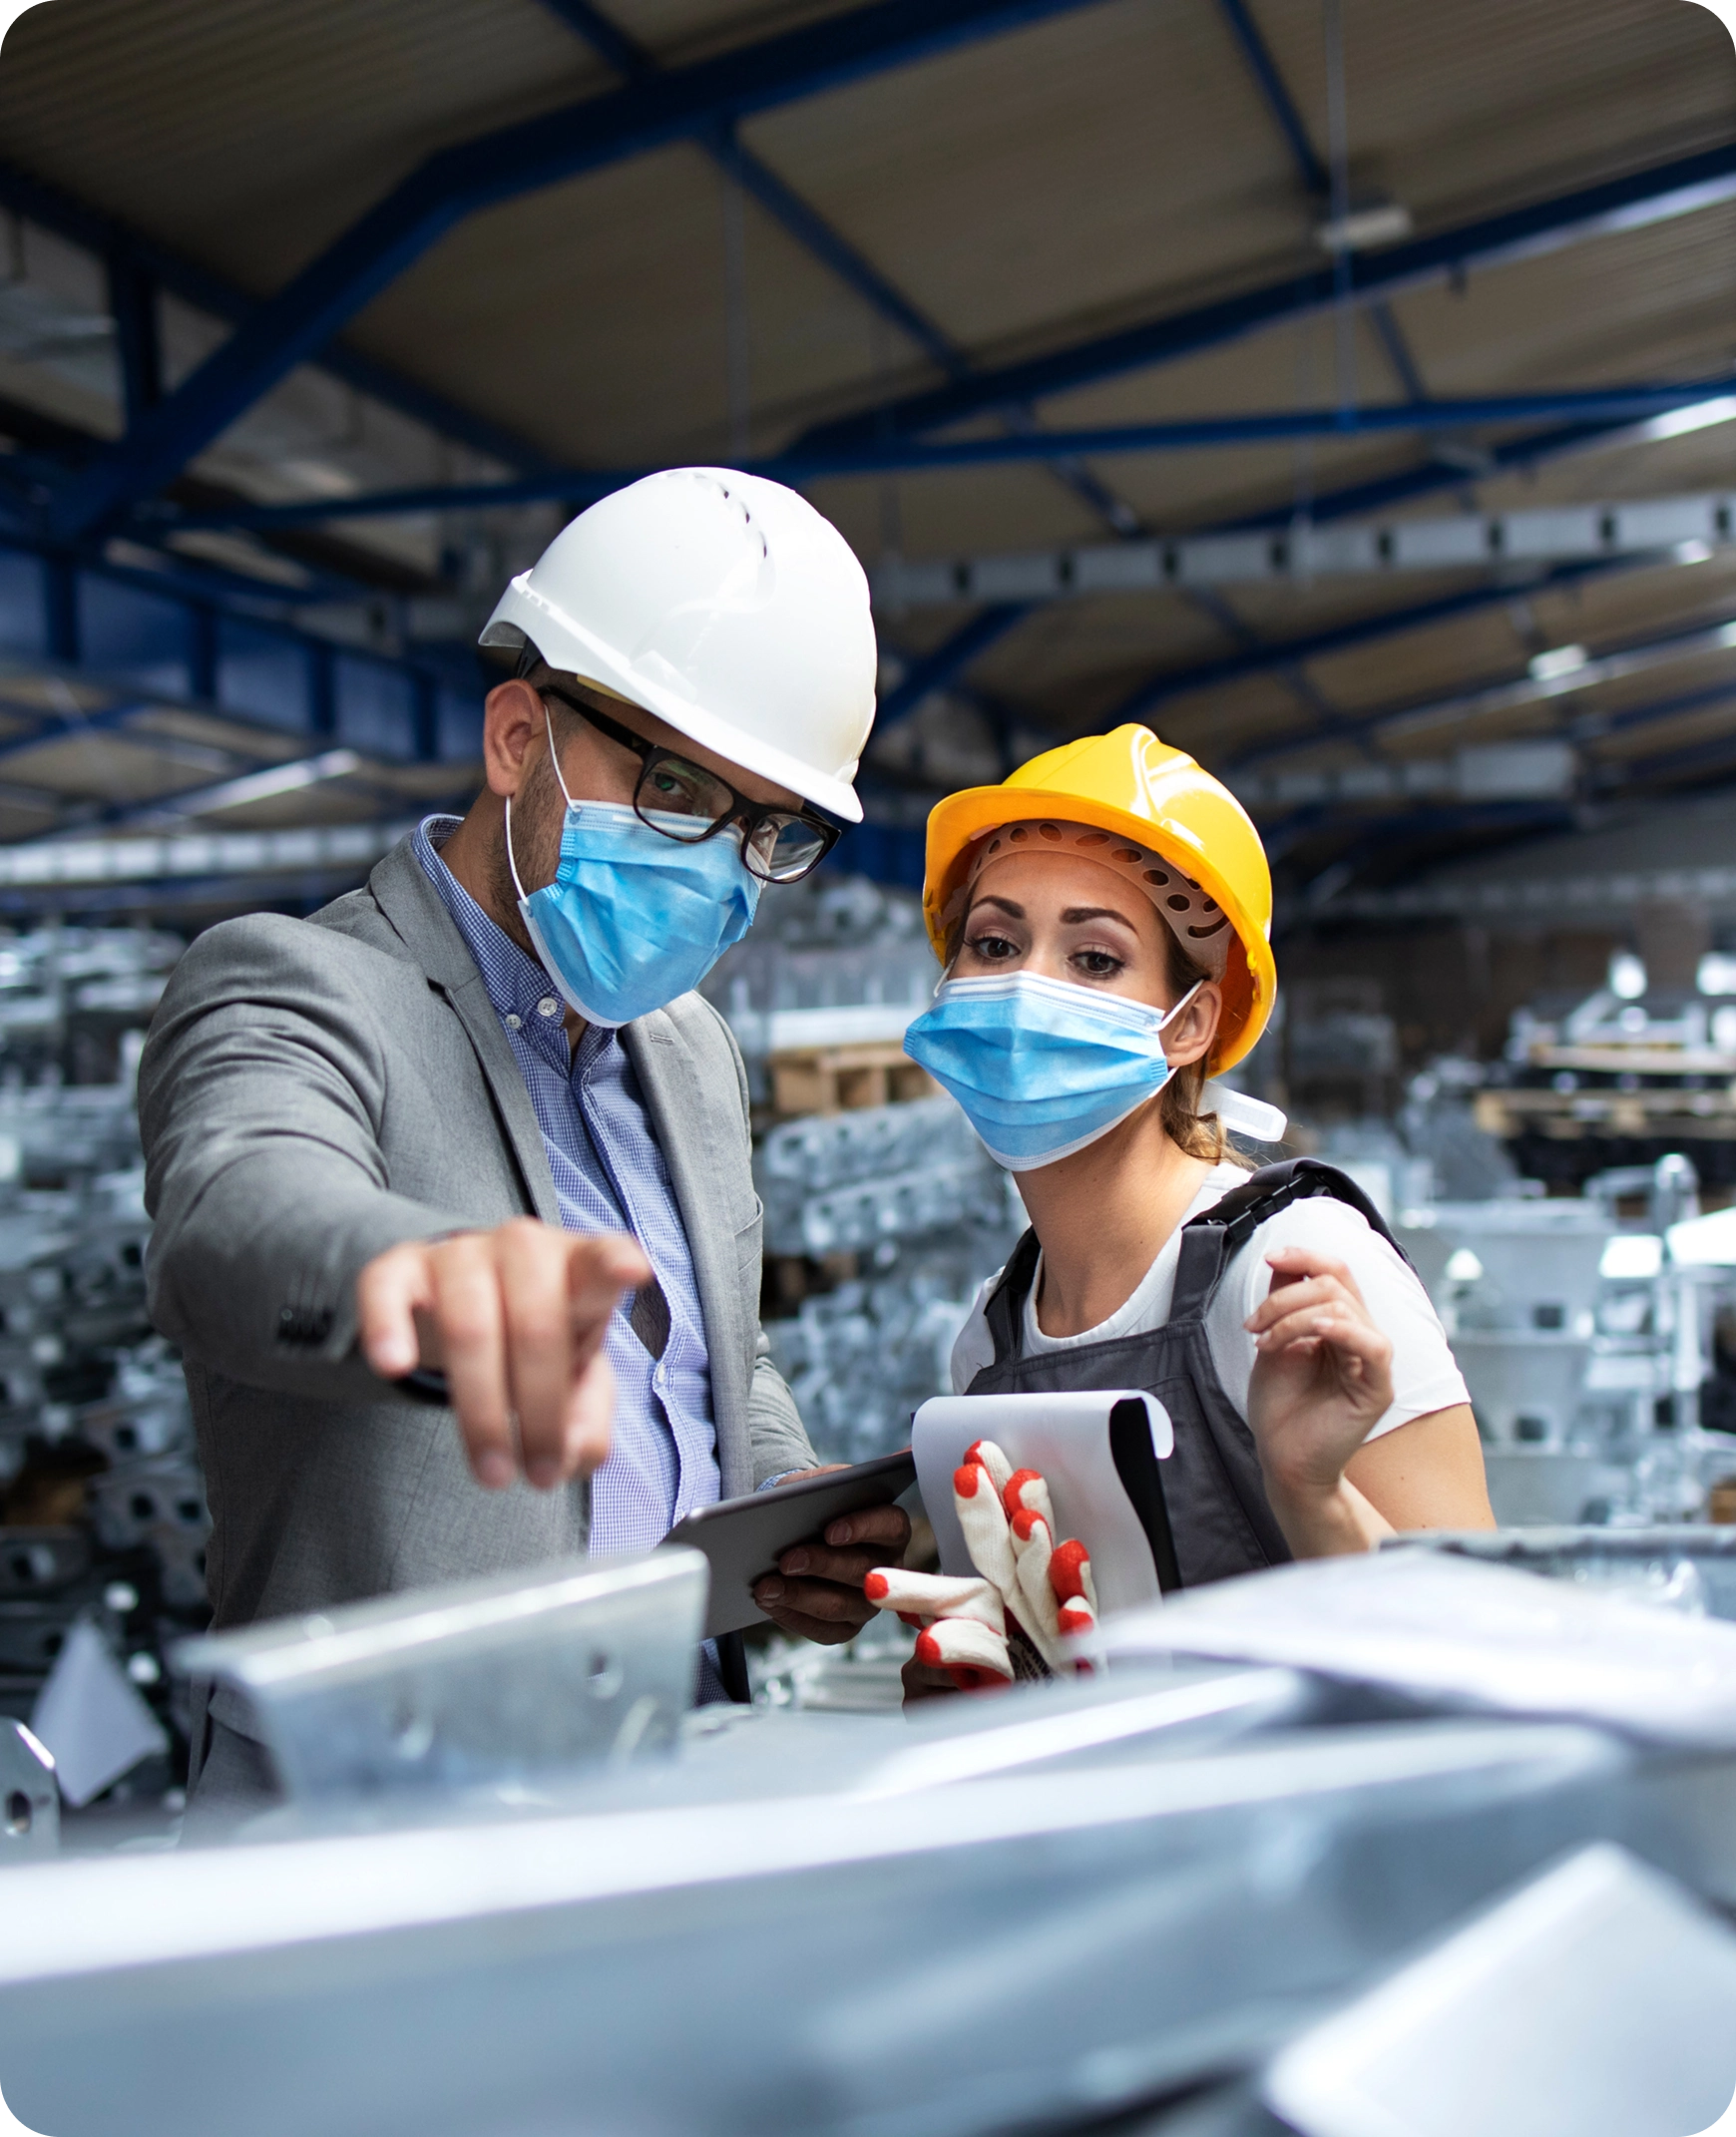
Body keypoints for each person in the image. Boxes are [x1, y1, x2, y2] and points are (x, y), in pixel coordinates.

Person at [140, 469, 909, 1814]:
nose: (721, 865)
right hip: (375, 1832)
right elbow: (234, 1219)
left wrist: (788, 1495)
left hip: (674, 1783)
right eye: (674, 788)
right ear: (516, 739)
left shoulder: (689, 1051)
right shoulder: (300, 982)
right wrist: (422, 1276)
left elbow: (728, 1343)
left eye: (762, 829)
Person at [898, 724, 1494, 1696]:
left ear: (1189, 1025)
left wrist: (1315, 1497)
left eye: (1093, 959)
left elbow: (1494, 1659)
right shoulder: (992, 1346)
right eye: (995, 943)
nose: (1022, 990)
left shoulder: (1294, 1271)